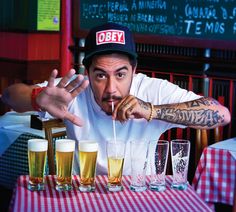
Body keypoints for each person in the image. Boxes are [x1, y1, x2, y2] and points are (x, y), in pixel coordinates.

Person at [1, 23, 231, 175]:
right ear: (87, 72)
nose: (111, 88)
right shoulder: (73, 88)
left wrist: (152, 110)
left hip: (140, 198)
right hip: (82, 195)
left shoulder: (152, 89)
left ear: (134, 70)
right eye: (100, 75)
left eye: (120, 74)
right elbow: (9, 95)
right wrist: (36, 97)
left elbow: (221, 114)